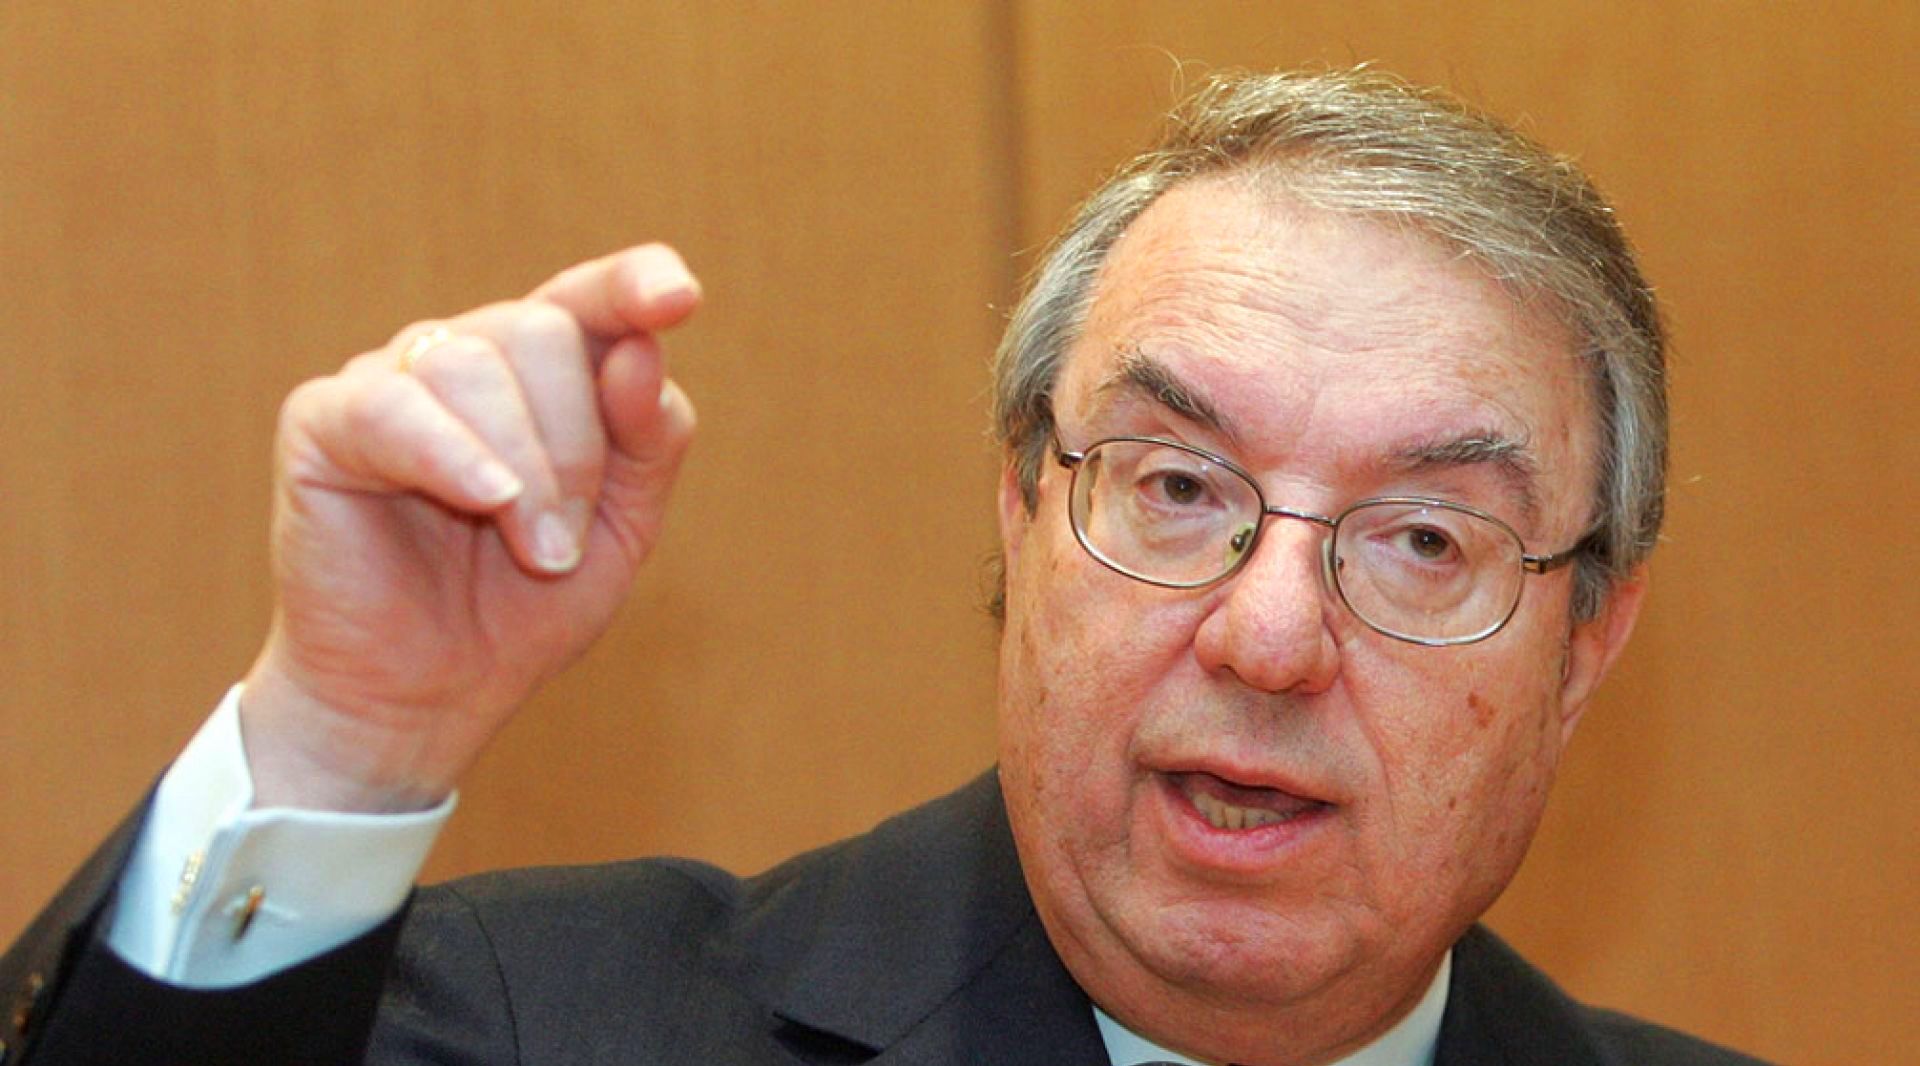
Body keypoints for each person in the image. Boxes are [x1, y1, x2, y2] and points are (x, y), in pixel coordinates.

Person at [1, 68, 1770, 1065]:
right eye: (1176, 485)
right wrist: (340, 738)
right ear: (1021, 507)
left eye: (1425, 538)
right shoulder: (543, 1025)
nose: (1269, 634)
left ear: (1585, 642)